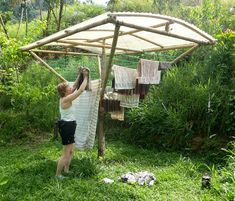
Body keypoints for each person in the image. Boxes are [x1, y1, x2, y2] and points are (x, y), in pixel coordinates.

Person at [56, 68, 89, 179]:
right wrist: (85, 77)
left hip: (69, 125)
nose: (71, 87)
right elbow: (79, 90)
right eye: (68, 87)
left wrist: (79, 74)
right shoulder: (66, 99)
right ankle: (58, 174)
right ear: (65, 91)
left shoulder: (66, 96)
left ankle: (66, 170)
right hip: (67, 126)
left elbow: (74, 86)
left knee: (71, 151)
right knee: (66, 153)